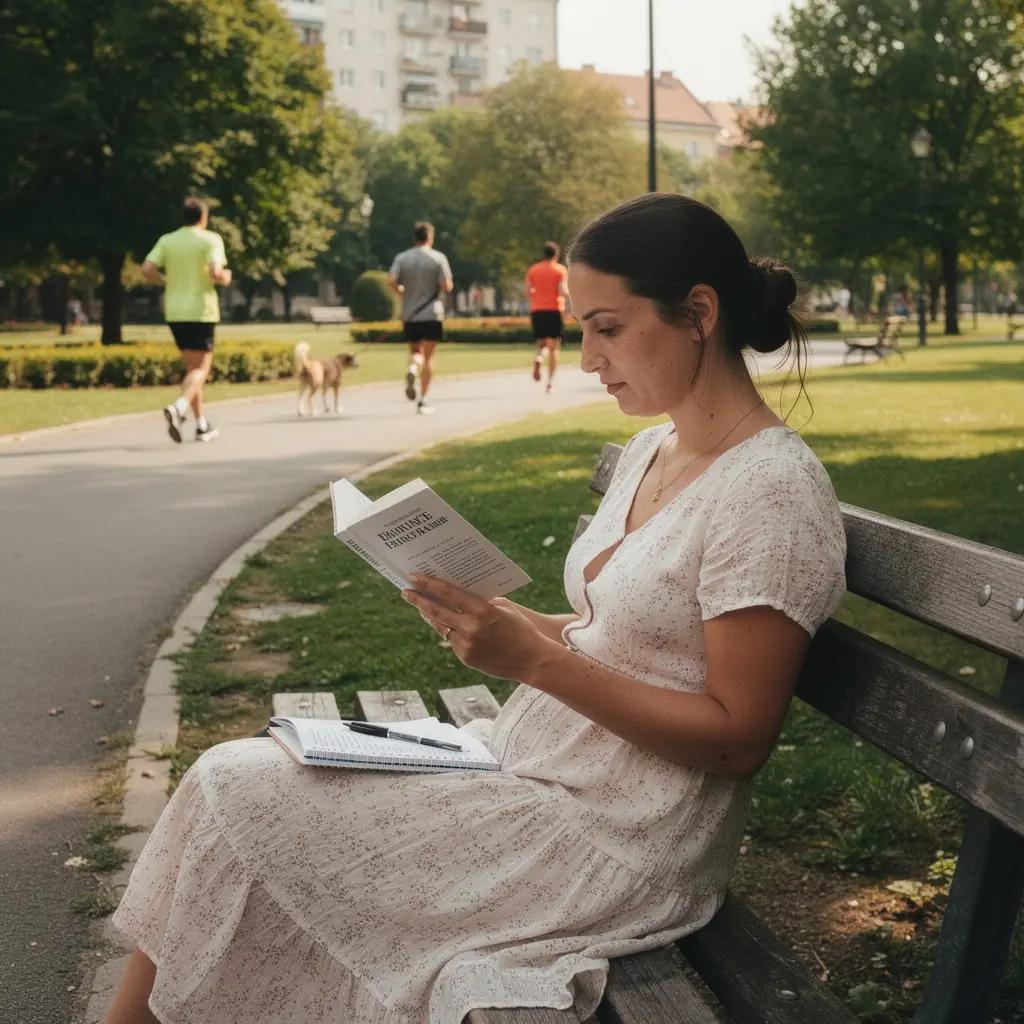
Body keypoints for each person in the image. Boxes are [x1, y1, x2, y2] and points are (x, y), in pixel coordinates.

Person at [104, 193, 846, 1024]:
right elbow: (620, 637)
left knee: (233, 788)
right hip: (530, 774)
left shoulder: (771, 491)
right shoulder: (654, 449)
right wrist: (503, 621)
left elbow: (738, 737)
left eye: (607, 327)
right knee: (242, 781)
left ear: (698, 312)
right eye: (582, 329)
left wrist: (533, 660)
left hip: (615, 841)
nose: (587, 356)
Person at [141, 198, 232, 443]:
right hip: (201, 310)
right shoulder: (210, 239)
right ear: (203, 217)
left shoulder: (168, 240)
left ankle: (201, 425)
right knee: (202, 369)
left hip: (175, 311)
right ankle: (179, 408)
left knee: (193, 371)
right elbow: (215, 273)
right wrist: (225, 277)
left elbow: (147, 268)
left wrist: (163, 280)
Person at [388, 222, 454, 415]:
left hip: (410, 313)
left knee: (416, 351)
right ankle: (423, 399)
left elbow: (391, 279)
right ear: (430, 237)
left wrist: (401, 292)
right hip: (431, 312)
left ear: (414, 237)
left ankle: (412, 366)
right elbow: (446, 285)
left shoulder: (402, 258)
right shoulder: (438, 258)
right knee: (430, 357)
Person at [524, 240, 569, 392]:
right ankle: (550, 382)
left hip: (537, 310)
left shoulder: (534, 269)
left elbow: (527, 292)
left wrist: (539, 296)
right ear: (556, 255)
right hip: (554, 310)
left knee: (541, 344)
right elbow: (562, 290)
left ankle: (538, 358)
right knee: (554, 348)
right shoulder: (560, 270)